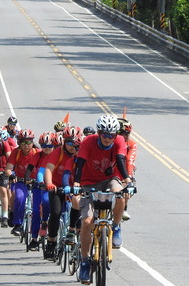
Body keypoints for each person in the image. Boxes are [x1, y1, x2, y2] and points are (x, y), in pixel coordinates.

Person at [74, 115, 134, 284]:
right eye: (105, 135)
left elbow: (121, 160)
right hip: (87, 182)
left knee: (120, 192)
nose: (108, 139)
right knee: (87, 221)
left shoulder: (120, 141)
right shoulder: (88, 142)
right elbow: (79, 163)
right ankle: (85, 261)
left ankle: (115, 227)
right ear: (99, 133)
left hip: (110, 179)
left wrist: (128, 181)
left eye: (112, 135)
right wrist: (77, 183)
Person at [43, 126, 84, 259]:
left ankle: (79, 238)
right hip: (58, 187)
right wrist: (49, 183)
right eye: (69, 142)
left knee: (81, 212)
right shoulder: (57, 152)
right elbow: (48, 169)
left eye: (75, 143)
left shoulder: (82, 154)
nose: (72, 146)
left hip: (77, 187)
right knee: (55, 213)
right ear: (64, 142)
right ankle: (51, 241)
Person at [24, 131, 58, 252]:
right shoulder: (38, 155)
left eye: (49, 146)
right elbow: (33, 170)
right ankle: (34, 239)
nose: (47, 149)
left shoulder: (58, 155)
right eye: (44, 146)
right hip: (41, 187)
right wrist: (28, 179)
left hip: (57, 187)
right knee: (36, 212)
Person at [5, 129, 38, 237]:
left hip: (35, 182)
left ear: (32, 143)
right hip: (20, 180)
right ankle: (17, 224)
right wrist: (11, 175)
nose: (26, 145)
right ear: (19, 143)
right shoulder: (16, 152)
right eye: (23, 142)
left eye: (29, 142)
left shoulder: (37, 153)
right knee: (19, 197)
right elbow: (8, 168)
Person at [117, 118, 136, 221]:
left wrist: (128, 179)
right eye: (126, 133)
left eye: (129, 133)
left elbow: (129, 160)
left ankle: (123, 209)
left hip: (125, 172)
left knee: (126, 192)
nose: (128, 137)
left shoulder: (131, 144)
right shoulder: (108, 141)